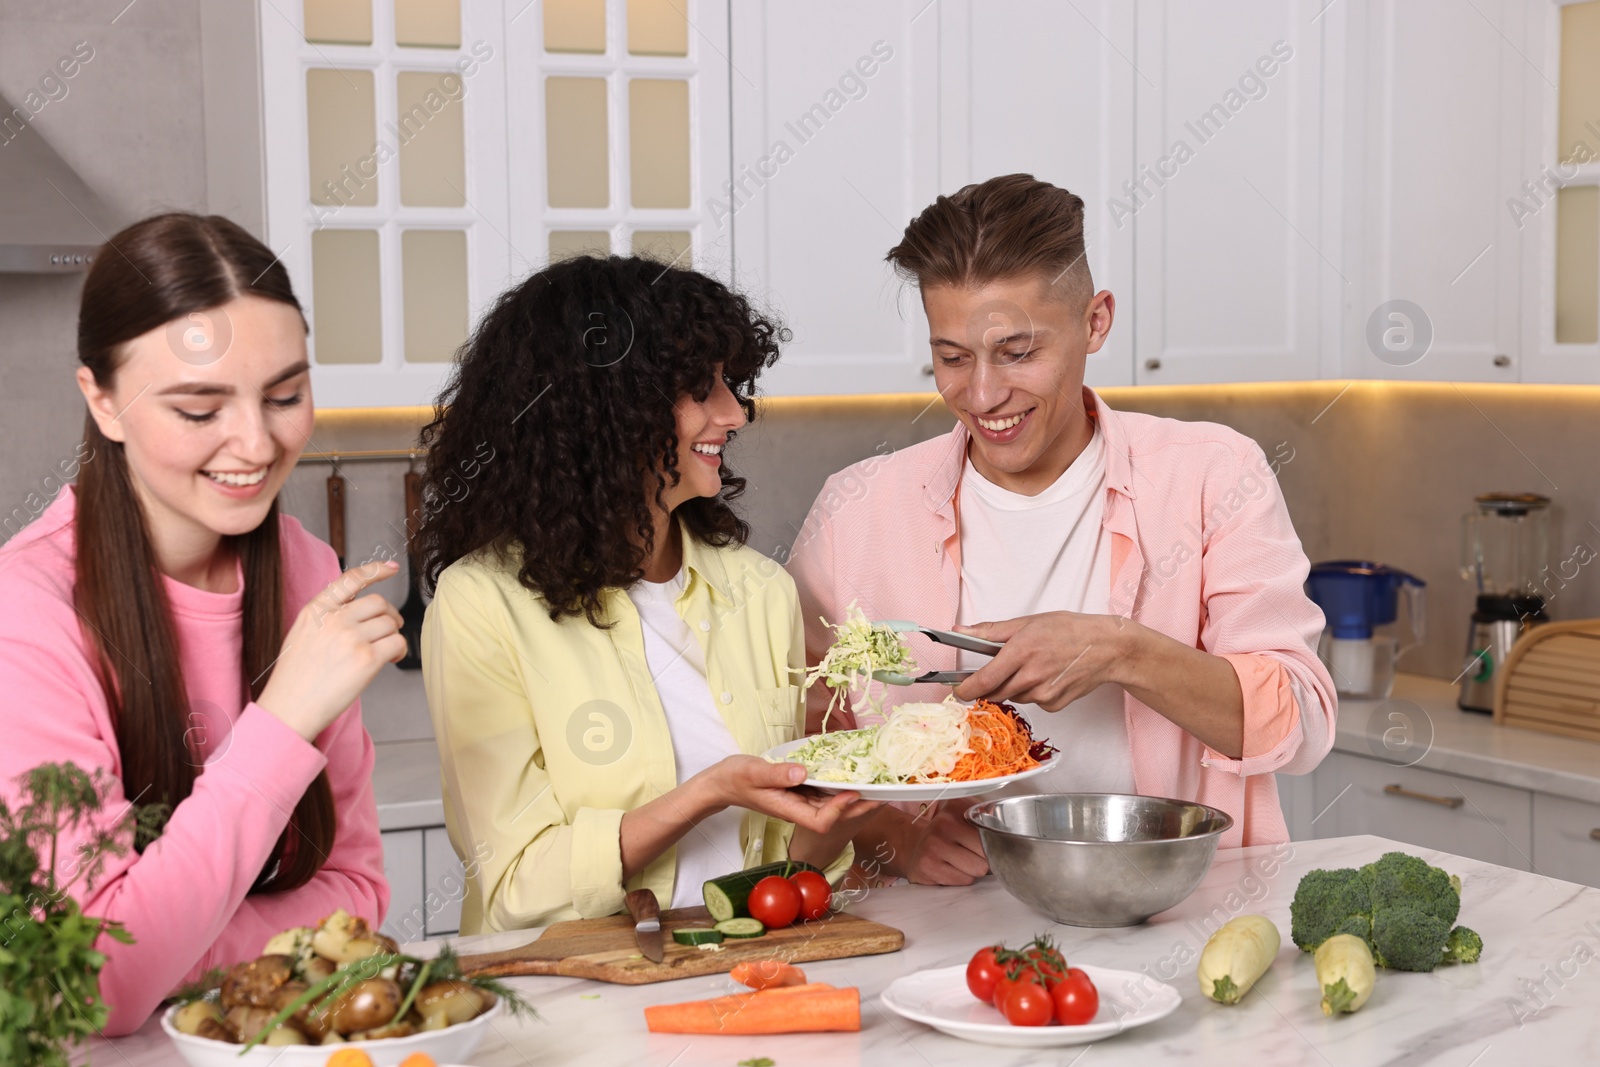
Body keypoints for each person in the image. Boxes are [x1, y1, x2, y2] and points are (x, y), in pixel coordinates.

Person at [787, 174, 1337, 885]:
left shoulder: (1213, 474)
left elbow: (1300, 721)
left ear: (1096, 321)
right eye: (952, 357)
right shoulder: (857, 508)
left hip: (1178, 907)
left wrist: (1121, 652)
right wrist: (884, 829)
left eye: (1017, 352)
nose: (982, 395)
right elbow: (792, 734)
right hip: (946, 923)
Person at [0, 213, 400, 1034]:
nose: (256, 441)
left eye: (285, 394)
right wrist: (282, 720)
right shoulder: (27, 615)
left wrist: (168, 947)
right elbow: (97, 978)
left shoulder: (305, 570)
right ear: (102, 401)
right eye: (197, 407)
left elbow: (359, 894)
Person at [418, 255, 872, 933]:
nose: (734, 412)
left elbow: (791, 870)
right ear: (605, 409)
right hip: (567, 1002)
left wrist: (844, 798)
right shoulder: (480, 604)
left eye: (731, 381)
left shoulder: (762, 592)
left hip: (742, 971)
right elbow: (515, 885)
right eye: (700, 387)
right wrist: (706, 794)